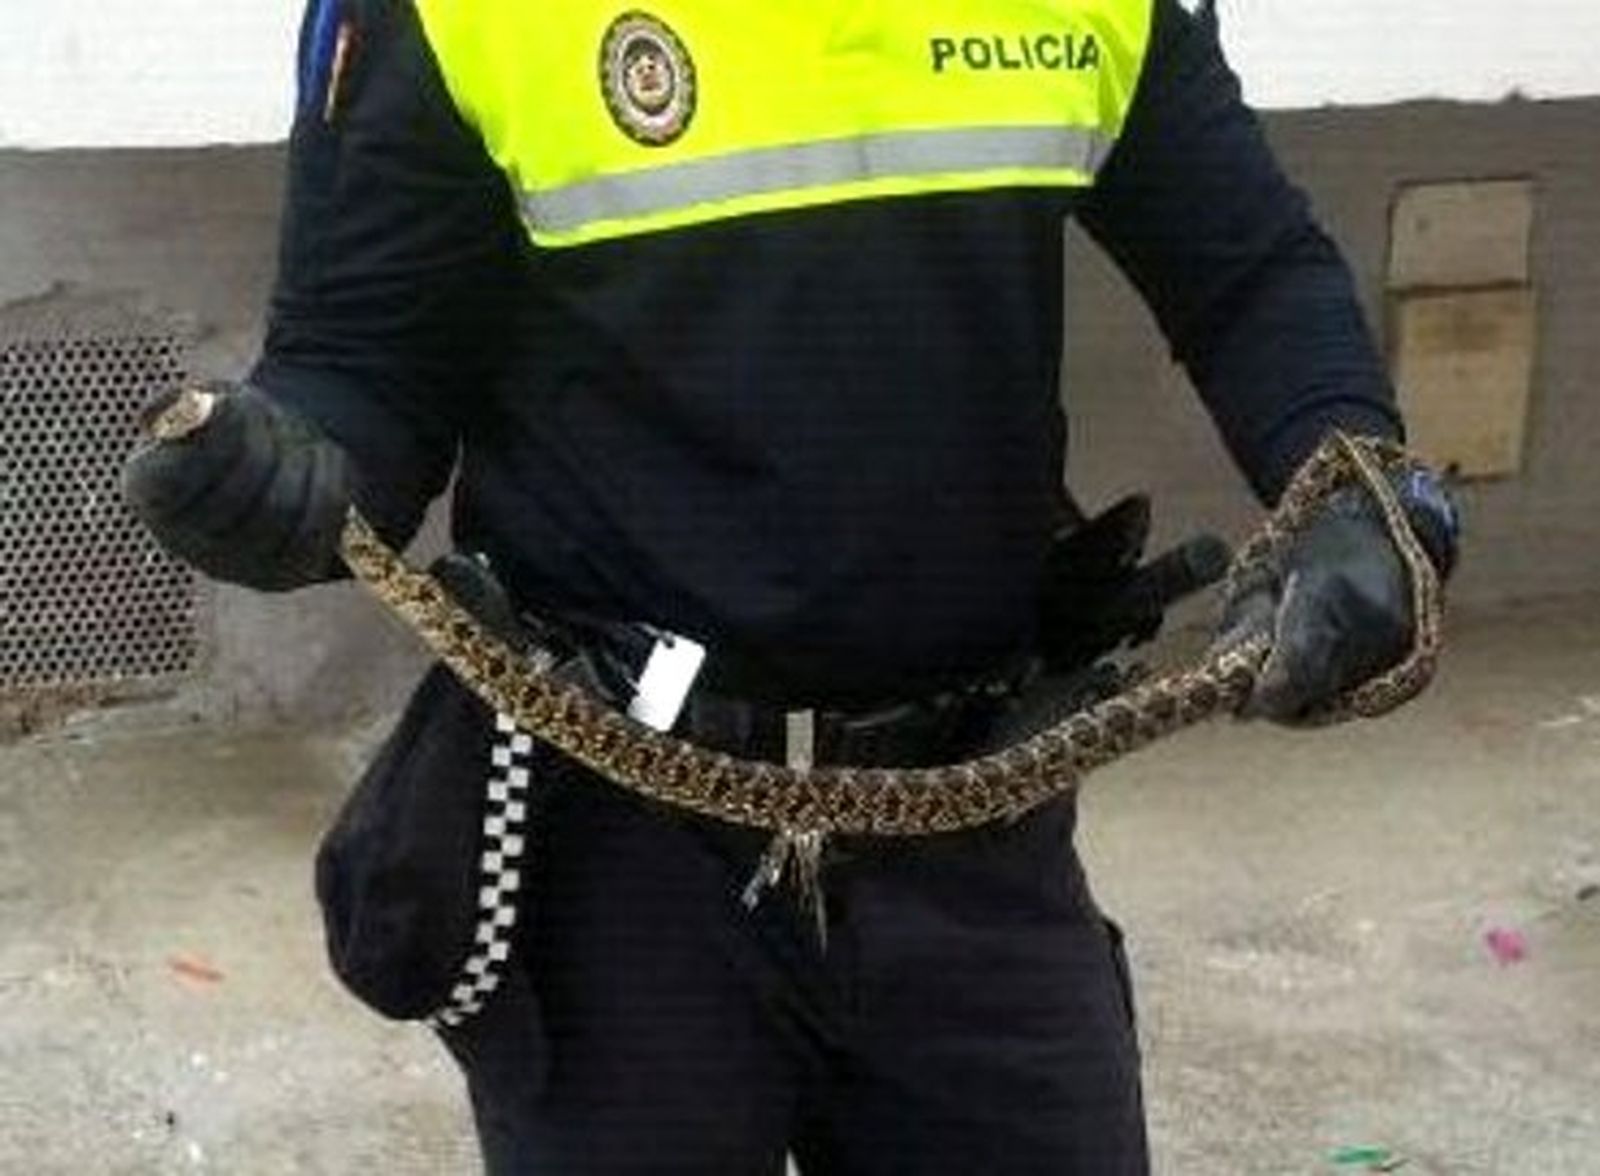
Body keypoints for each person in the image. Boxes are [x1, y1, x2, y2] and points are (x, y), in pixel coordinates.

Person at [124, 0, 1460, 1172]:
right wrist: (278, 482)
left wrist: (1354, 485)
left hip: (974, 815)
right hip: (615, 846)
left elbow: (1248, 271)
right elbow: (363, 366)